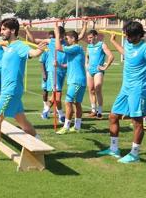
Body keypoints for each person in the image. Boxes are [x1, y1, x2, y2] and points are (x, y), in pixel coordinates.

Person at [0, 18, 46, 162]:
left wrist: (39, 50)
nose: (1, 31)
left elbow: (32, 53)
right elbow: (4, 42)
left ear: (12, 31)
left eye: (4, 29)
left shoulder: (19, 46)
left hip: (10, 91)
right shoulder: (10, 44)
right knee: (22, 121)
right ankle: (39, 143)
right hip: (11, 90)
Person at [97, 22, 146, 163]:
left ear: (139, 35)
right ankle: (114, 149)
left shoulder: (144, 48)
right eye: (126, 35)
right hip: (125, 88)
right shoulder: (130, 44)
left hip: (138, 89)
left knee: (136, 122)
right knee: (113, 116)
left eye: (130, 36)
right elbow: (126, 53)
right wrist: (113, 41)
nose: (128, 38)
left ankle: (134, 154)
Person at [25, 25, 69, 123]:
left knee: (55, 95)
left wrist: (85, 25)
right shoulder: (51, 41)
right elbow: (33, 40)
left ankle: (46, 112)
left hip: (62, 71)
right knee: (58, 94)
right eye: (58, 35)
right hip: (53, 70)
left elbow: (79, 37)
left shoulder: (66, 42)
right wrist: (27, 29)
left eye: (61, 35)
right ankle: (61, 115)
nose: (60, 37)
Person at [53, 25, 87, 134]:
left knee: (68, 102)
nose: (66, 40)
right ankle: (77, 126)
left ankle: (66, 126)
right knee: (77, 103)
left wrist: (57, 34)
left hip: (76, 81)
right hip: (77, 80)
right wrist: (59, 65)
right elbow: (69, 64)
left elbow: (58, 48)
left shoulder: (75, 47)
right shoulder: (74, 50)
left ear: (73, 39)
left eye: (67, 38)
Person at [86, 29, 114, 119]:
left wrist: (105, 67)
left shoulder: (102, 45)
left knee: (97, 89)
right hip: (89, 71)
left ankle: (100, 111)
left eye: (91, 37)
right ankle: (93, 110)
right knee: (91, 90)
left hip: (98, 71)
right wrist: (86, 65)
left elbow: (111, 56)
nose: (89, 39)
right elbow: (87, 56)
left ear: (95, 36)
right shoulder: (89, 46)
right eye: (88, 38)